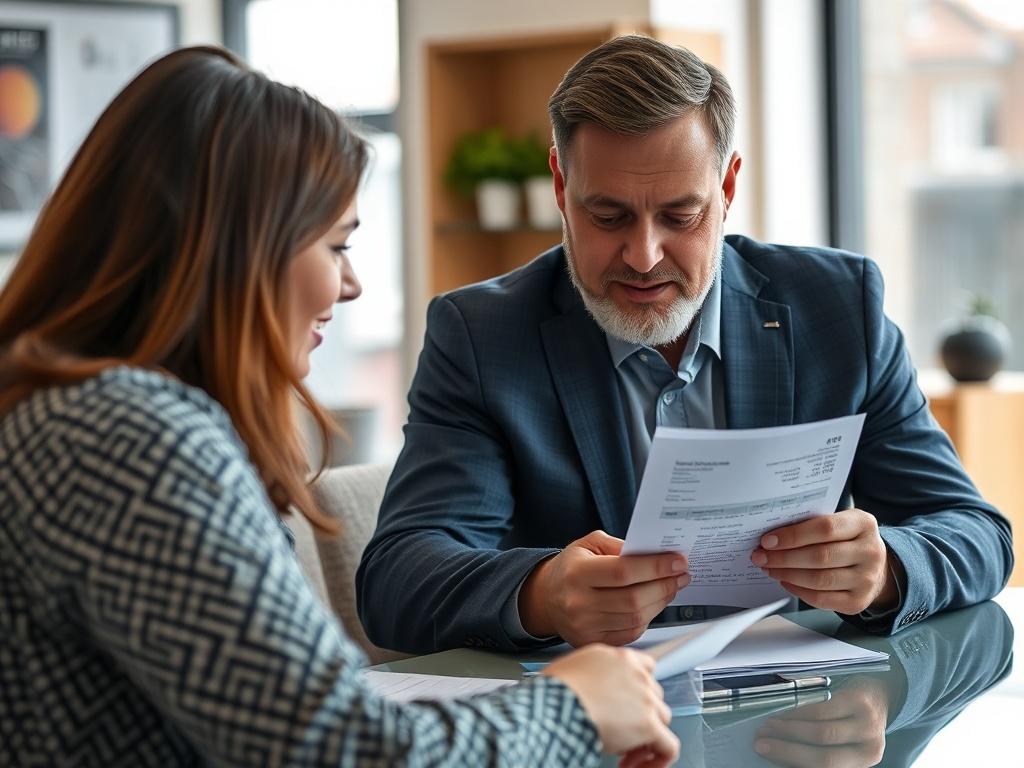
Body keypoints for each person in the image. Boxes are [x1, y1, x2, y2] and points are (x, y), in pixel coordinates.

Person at [0, 46, 680, 767]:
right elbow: (338, 750)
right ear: (240, 251)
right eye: (335, 246)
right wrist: (576, 707)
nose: (349, 285)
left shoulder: (82, 416)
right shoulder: (128, 439)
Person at [357, 34, 1013, 655]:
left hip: (801, 702)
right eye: (608, 216)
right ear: (560, 185)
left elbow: (977, 533)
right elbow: (396, 580)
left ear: (727, 188)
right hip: (592, 710)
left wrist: (886, 569)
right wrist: (540, 595)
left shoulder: (838, 309)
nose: (643, 256)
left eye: (680, 215)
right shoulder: (482, 336)